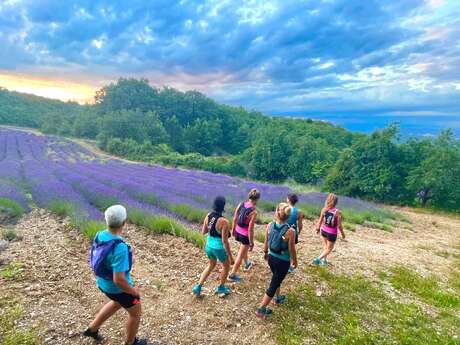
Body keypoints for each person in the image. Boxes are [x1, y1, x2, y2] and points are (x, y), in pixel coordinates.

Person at [83, 205, 146, 345]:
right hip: (119, 289)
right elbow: (119, 280)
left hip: (103, 283)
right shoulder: (120, 247)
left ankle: (92, 329)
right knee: (135, 315)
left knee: (116, 303)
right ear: (124, 222)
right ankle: (130, 343)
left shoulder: (100, 235)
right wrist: (133, 291)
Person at [256, 203, 297, 318]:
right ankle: (261, 309)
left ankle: (278, 298)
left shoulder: (270, 225)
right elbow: (291, 248)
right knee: (274, 284)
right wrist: (295, 260)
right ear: (288, 216)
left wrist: (265, 253)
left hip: (271, 258)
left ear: (277, 213)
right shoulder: (290, 231)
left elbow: (266, 241)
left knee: (276, 278)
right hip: (282, 262)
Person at [193, 196, 234, 297]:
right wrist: (231, 256)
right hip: (218, 248)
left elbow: (203, 231)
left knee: (211, 265)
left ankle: (198, 286)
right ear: (223, 206)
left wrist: (212, 228)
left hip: (208, 246)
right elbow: (225, 241)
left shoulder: (208, 216)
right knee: (226, 266)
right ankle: (221, 287)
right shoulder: (224, 222)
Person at [228, 188, 260, 282]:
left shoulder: (241, 204)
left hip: (237, 231)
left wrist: (233, 230)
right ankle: (232, 275)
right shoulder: (254, 212)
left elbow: (234, 218)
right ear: (257, 199)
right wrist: (251, 242)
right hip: (245, 235)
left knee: (243, 249)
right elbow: (250, 229)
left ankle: (247, 264)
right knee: (240, 255)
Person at [312, 193, 345, 265]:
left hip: (323, 230)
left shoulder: (324, 209)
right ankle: (318, 259)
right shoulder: (337, 212)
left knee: (326, 246)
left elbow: (320, 220)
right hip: (332, 233)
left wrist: (318, 229)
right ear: (336, 202)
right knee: (330, 249)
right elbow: (339, 225)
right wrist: (343, 234)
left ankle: (324, 261)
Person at [286, 193, 304, 272]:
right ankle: (289, 266)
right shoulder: (299, 212)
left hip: (283, 230)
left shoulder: (284, 208)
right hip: (293, 232)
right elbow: (300, 225)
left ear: (288, 200)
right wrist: (298, 232)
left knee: (283, 246)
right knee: (290, 248)